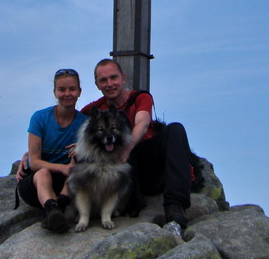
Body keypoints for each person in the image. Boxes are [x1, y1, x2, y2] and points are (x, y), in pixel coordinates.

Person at [80, 58, 192, 228]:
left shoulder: (140, 97)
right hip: (122, 173)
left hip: (146, 160)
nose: (109, 84)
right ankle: (130, 202)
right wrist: (32, 153)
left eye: (113, 78)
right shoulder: (94, 109)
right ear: (97, 84)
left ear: (123, 78)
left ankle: (175, 206)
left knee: (175, 129)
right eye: (103, 80)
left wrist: (128, 147)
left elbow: (142, 122)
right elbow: (70, 124)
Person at [16, 68, 87, 233]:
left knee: (77, 171)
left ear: (79, 92)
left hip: (67, 184)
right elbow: (34, 162)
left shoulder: (85, 123)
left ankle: (57, 212)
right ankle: (52, 210)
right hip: (36, 184)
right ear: (55, 92)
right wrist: (62, 168)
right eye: (62, 89)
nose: (67, 94)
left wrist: (81, 149)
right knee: (43, 173)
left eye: (72, 89)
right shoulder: (40, 118)